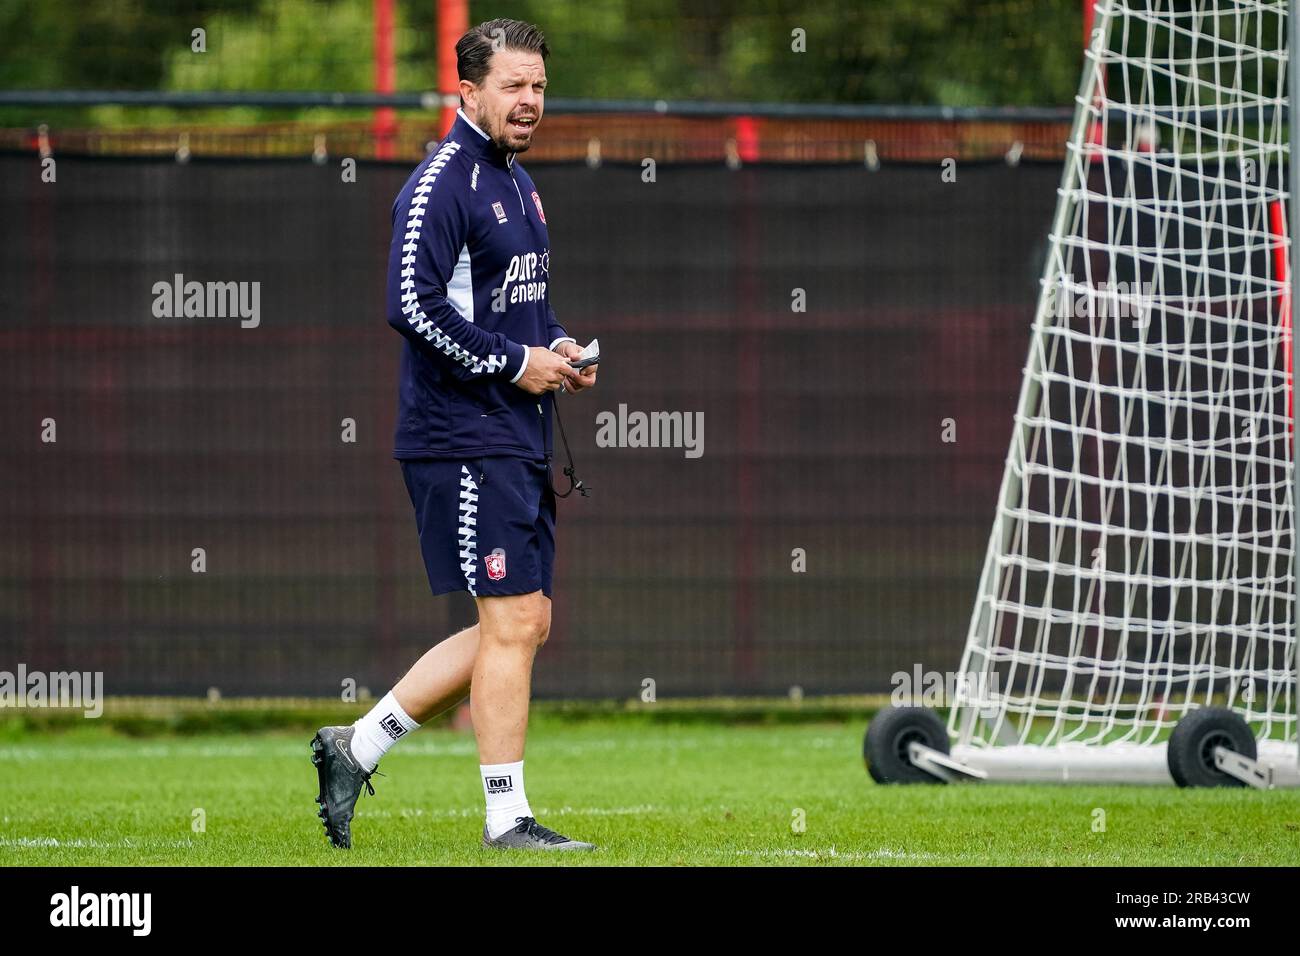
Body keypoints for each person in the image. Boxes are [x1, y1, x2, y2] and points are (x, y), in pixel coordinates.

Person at [311, 18, 599, 852]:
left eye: (539, 86)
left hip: (514, 429)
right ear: (467, 90)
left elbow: (519, 308)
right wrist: (516, 364)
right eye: (513, 85)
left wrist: (561, 351)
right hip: (462, 434)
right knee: (511, 622)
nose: (530, 101)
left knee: (524, 623)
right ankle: (507, 819)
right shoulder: (442, 180)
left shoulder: (518, 182)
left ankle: (356, 747)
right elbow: (411, 304)